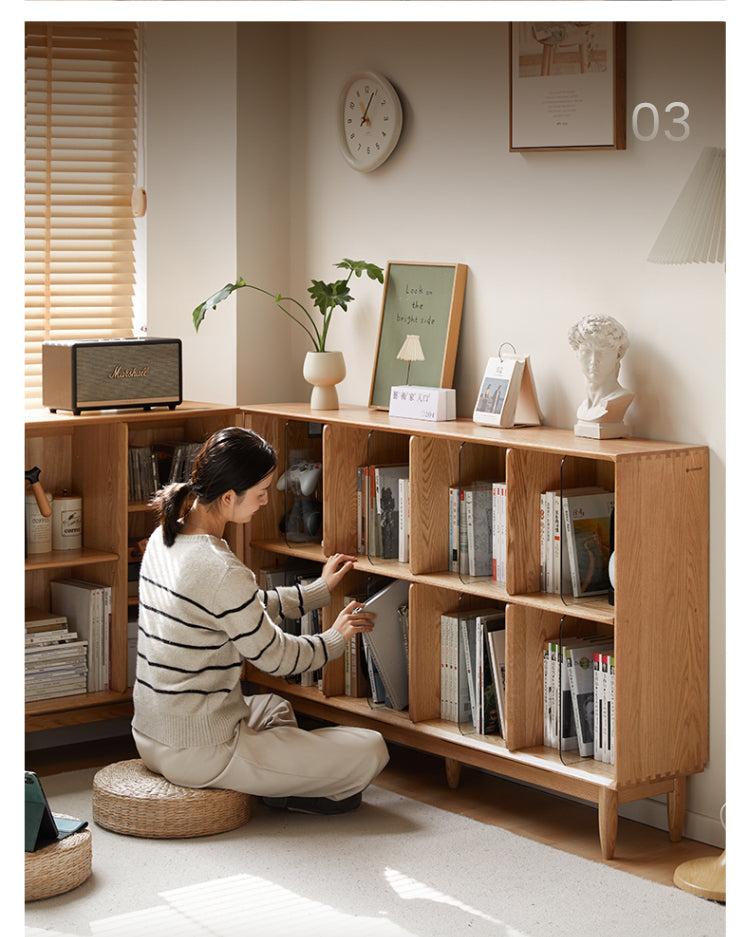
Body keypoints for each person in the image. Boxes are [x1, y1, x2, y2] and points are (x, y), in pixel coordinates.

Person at [131, 426, 389, 815]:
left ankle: (283, 784)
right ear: (229, 496)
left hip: (151, 733)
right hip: (201, 749)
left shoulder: (161, 540)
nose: (266, 502)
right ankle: (292, 785)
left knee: (276, 710)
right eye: (261, 492)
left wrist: (317, 591)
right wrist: (336, 637)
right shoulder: (218, 567)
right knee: (371, 748)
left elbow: (239, 608)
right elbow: (277, 658)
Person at [567, 314, 634, 425]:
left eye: (603, 352)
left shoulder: (619, 400)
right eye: (586, 351)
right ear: (577, 353)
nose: (593, 360)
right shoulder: (583, 408)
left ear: (618, 355)